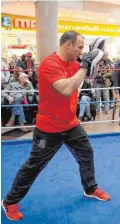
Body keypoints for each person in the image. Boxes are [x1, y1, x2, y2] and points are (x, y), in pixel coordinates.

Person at [1, 31, 110, 221]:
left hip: (71, 124)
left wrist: (95, 59)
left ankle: (90, 188)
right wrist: (85, 65)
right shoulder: (49, 64)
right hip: (49, 127)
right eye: (80, 47)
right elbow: (67, 89)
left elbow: (88, 78)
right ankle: (9, 201)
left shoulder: (75, 63)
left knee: (86, 153)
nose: (81, 51)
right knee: (34, 165)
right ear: (68, 44)